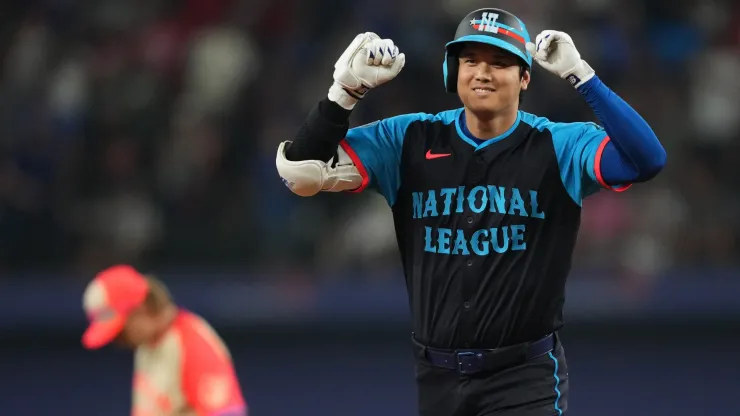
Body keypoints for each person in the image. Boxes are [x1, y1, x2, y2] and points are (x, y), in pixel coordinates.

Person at [275, 8, 666, 416]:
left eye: (500, 63)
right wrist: (344, 92)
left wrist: (581, 76)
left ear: (525, 78)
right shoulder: (408, 138)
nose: (483, 73)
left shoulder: (559, 144)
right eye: (471, 61)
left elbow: (646, 160)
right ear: (452, 72)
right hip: (437, 376)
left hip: (524, 376)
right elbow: (302, 171)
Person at [82, 264, 248, 416]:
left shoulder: (190, 342)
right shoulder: (147, 346)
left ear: (142, 309)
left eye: (121, 331)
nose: (119, 341)